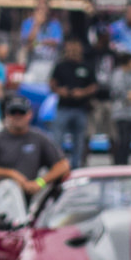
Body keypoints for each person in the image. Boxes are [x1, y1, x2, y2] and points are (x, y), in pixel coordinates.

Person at [0, 96, 69, 219]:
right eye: (13, 112)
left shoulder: (38, 138)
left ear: (29, 114)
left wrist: (40, 182)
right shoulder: (1, 139)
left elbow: (63, 165)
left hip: (31, 200)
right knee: (9, 186)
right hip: (2, 199)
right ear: (6, 115)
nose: (17, 116)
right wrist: (12, 174)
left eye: (21, 112)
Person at [48, 37, 100, 167]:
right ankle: (56, 165)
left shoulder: (86, 66)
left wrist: (82, 92)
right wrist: (61, 91)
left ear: (80, 49)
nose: (72, 50)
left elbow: (94, 86)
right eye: (70, 47)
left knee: (79, 142)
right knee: (57, 140)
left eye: (75, 47)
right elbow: (52, 84)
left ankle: (76, 167)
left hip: (80, 108)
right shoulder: (60, 66)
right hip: (64, 107)